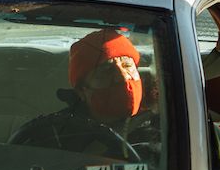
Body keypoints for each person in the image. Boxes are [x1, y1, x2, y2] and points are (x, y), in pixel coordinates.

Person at [10, 28, 143, 158]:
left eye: (127, 66)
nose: (122, 76)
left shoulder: (160, 124)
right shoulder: (55, 133)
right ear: (82, 90)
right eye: (106, 70)